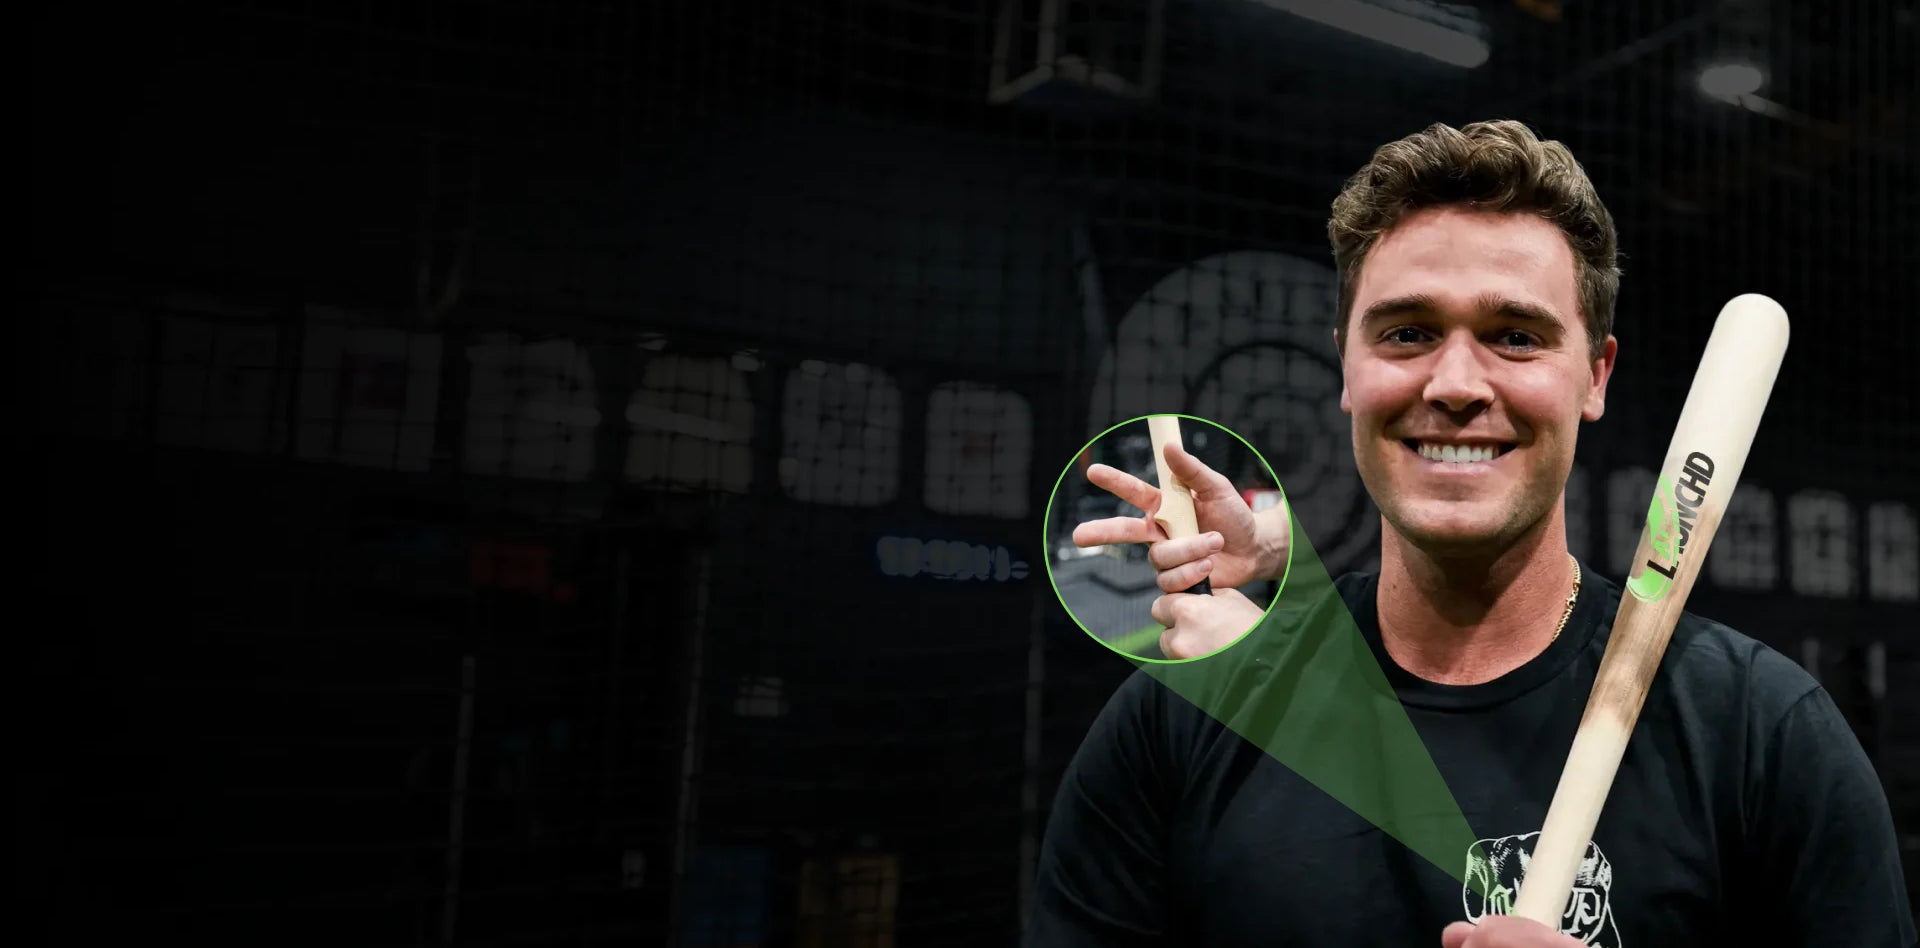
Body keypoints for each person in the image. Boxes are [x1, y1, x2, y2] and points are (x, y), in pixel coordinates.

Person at [1034, 120, 1914, 947]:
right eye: (1409, 333)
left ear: (1595, 376)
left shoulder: (1761, 734)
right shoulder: (1183, 721)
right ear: (1347, 364)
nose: (1456, 382)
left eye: (1515, 336)